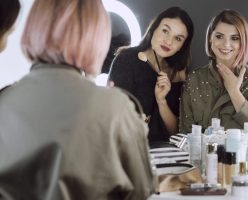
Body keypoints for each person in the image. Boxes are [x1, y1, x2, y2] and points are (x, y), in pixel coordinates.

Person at [0, 0, 156, 199]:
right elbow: (141, 191)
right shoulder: (117, 108)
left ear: (34, 29)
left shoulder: (4, 100)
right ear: (96, 37)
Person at [108, 7, 194, 143]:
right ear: (154, 28)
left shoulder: (179, 74)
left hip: (166, 154)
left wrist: (162, 101)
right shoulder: (127, 60)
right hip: (130, 151)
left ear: (182, 46)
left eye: (178, 38)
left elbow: (175, 133)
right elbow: (113, 119)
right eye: (165, 31)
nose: (169, 41)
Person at [179, 9, 248, 133]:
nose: (226, 44)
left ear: (243, 42)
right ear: (210, 38)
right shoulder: (194, 79)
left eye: (234, 38)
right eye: (219, 36)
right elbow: (185, 133)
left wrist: (235, 93)